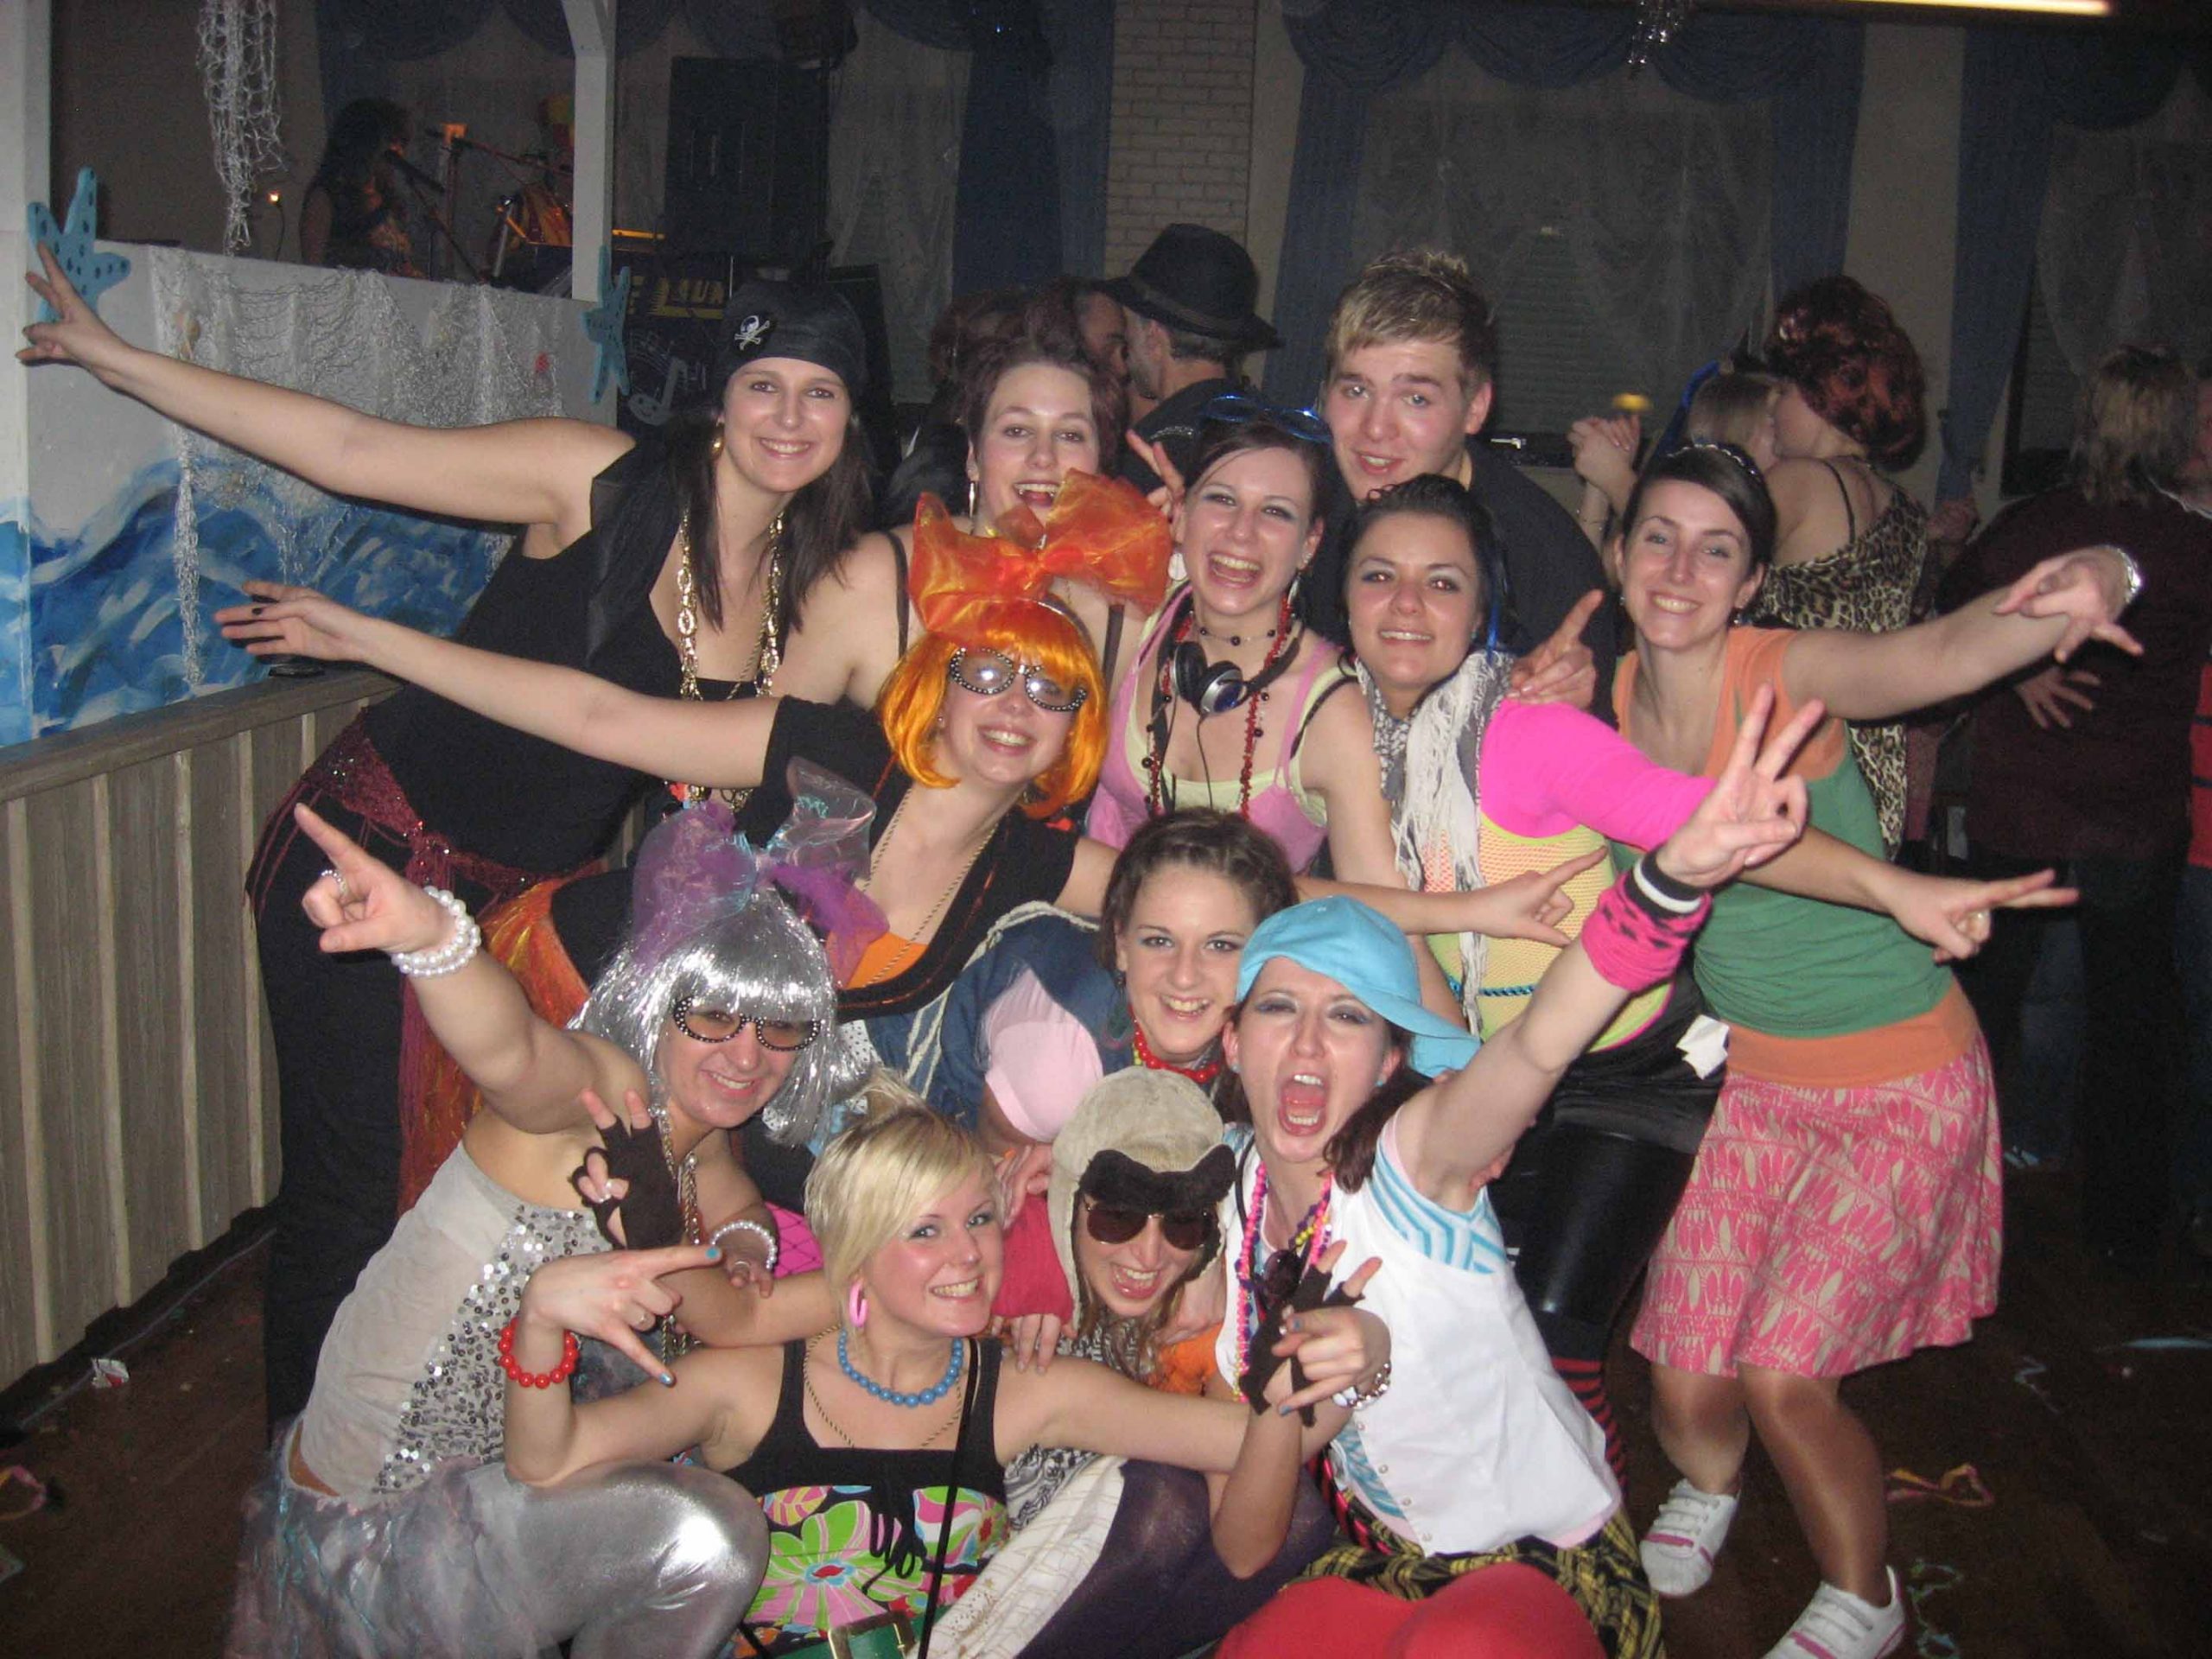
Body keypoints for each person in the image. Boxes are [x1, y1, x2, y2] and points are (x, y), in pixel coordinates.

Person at [20, 248, 877, 1424]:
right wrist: (120, 362)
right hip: (376, 850)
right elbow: (353, 448)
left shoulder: (798, 589)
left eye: (820, 392)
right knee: (352, 1190)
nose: (788, 417)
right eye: (763, 385)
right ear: (718, 397)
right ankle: (309, 1482)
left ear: (850, 419)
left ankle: (426, 1447)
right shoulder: (598, 480)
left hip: (521, 905)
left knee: (469, 1184)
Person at [1341, 471, 2049, 1484]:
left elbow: (1710, 823)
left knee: (1558, 1327)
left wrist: (1894, 886)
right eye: (1378, 576)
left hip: (1638, 1071)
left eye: (1442, 583)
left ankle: (1580, 1526)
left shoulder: (1535, 725)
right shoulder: (1352, 730)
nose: (1408, 605)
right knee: (1479, 1319)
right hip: (1510, 1063)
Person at [1605, 444, 2137, 1659]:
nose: (1681, 569)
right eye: (1658, 538)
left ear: (1751, 581)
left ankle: (1866, 1594)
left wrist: (2102, 571)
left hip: (1900, 1079)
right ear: (1619, 551)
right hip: (1751, 1081)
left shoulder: (1783, 672)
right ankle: (1712, 1486)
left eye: (1717, 549)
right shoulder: (1613, 693)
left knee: (1786, 1376)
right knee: (1683, 1371)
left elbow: (1934, 657)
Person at [1210, 687, 1820, 1659]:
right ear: (1233, 1041)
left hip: (1544, 1561)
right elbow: (1243, 1549)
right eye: (1280, 1008)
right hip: (1388, 1560)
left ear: (1390, 1061)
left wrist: (1667, 879)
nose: (1311, 1044)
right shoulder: (1235, 1209)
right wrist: (1291, 1393)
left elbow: (1538, 1042)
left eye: (1351, 1016)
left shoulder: (1416, 1161)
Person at [226, 798, 858, 1656]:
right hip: (386, 1497)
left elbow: (735, 1205)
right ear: (658, 1005)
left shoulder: (698, 1135)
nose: (746, 1057)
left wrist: (746, 1242)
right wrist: (432, 942)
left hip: (504, 1466)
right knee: (706, 1539)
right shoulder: (603, 1090)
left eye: (779, 1027)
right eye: (711, 1016)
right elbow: (513, 1053)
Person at [500, 1099, 1378, 1656]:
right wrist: (539, 1323)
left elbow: (1253, 1441)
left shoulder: (1030, 1388)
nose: (969, 1255)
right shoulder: (748, 1386)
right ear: (854, 1255)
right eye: (924, 1232)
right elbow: (549, 1461)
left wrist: (1349, 1363)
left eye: (980, 1220)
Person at [1948, 343, 2212, 1268]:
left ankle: (1950, 1204)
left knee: (1987, 1010)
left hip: (2038, 805)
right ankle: (2124, 1236)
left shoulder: (2037, 524)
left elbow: (1948, 613)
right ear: (2173, 432)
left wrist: (2009, 676)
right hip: (2123, 815)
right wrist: (2014, 676)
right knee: (2128, 1025)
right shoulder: (2189, 543)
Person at [939, 1070, 1338, 1659]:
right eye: (1117, 1217)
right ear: (1069, 1200)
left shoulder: (1196, 1326)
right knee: (1164, 1499)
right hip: (966, 1585)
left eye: (1181, 1224)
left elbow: (1248, 1547)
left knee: (1294, 1510)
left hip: (1103, 1613)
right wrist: (1026, 1248)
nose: (1149, 1256)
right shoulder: (1005, 1266)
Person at [1087, 411, 1399, 879]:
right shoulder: (1133, 617)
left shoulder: (1337, 715)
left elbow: (1381, 906)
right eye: (1221, 499)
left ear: (1310, 543)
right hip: (1092, 915)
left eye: (1275, 512)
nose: (1240, 531)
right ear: (1182, 512)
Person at [1306, 247, 1615, 707]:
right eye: (1356, 390)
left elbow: (1587, 741)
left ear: (1475, 408)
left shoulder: (1543, 559)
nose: (1375, 428)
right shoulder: (1300, 504)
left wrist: (1544, 712)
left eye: (1415, 399)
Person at [1745, 276, 1936, 853]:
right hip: (1877, 764)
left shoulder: (1800, 482)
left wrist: (1615, 482)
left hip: (1810, 759)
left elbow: (1690, 563)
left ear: (1826, 397)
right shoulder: (1903, 505)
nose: (1772, 403)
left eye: (1786, 388)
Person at [1104, 223, 1281, 494]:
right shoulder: (1273, 433)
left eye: (1128, 327)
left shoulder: (1154, 458)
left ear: (1153, 335)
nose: (1126, 343)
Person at [300, 97, 422, 275]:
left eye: (400, 144)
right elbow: (314, 268)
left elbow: (401, 262)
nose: (399, 152)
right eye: (391, 142)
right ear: (367, 145)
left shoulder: (388, 200)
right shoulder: (327, 197)